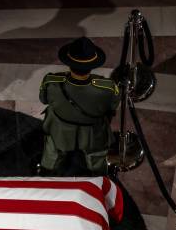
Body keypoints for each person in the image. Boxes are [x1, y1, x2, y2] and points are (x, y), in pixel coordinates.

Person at [39, 37, 120, 176]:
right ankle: (98, 175)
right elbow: (112, 107)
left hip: (60, 130)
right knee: (96, 155)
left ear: (69, 63)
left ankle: (47, 169)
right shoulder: (108, 87)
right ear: (93, 64)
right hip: (92, 133)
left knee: (52, 147)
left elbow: (43, 99)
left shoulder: (50, 81)